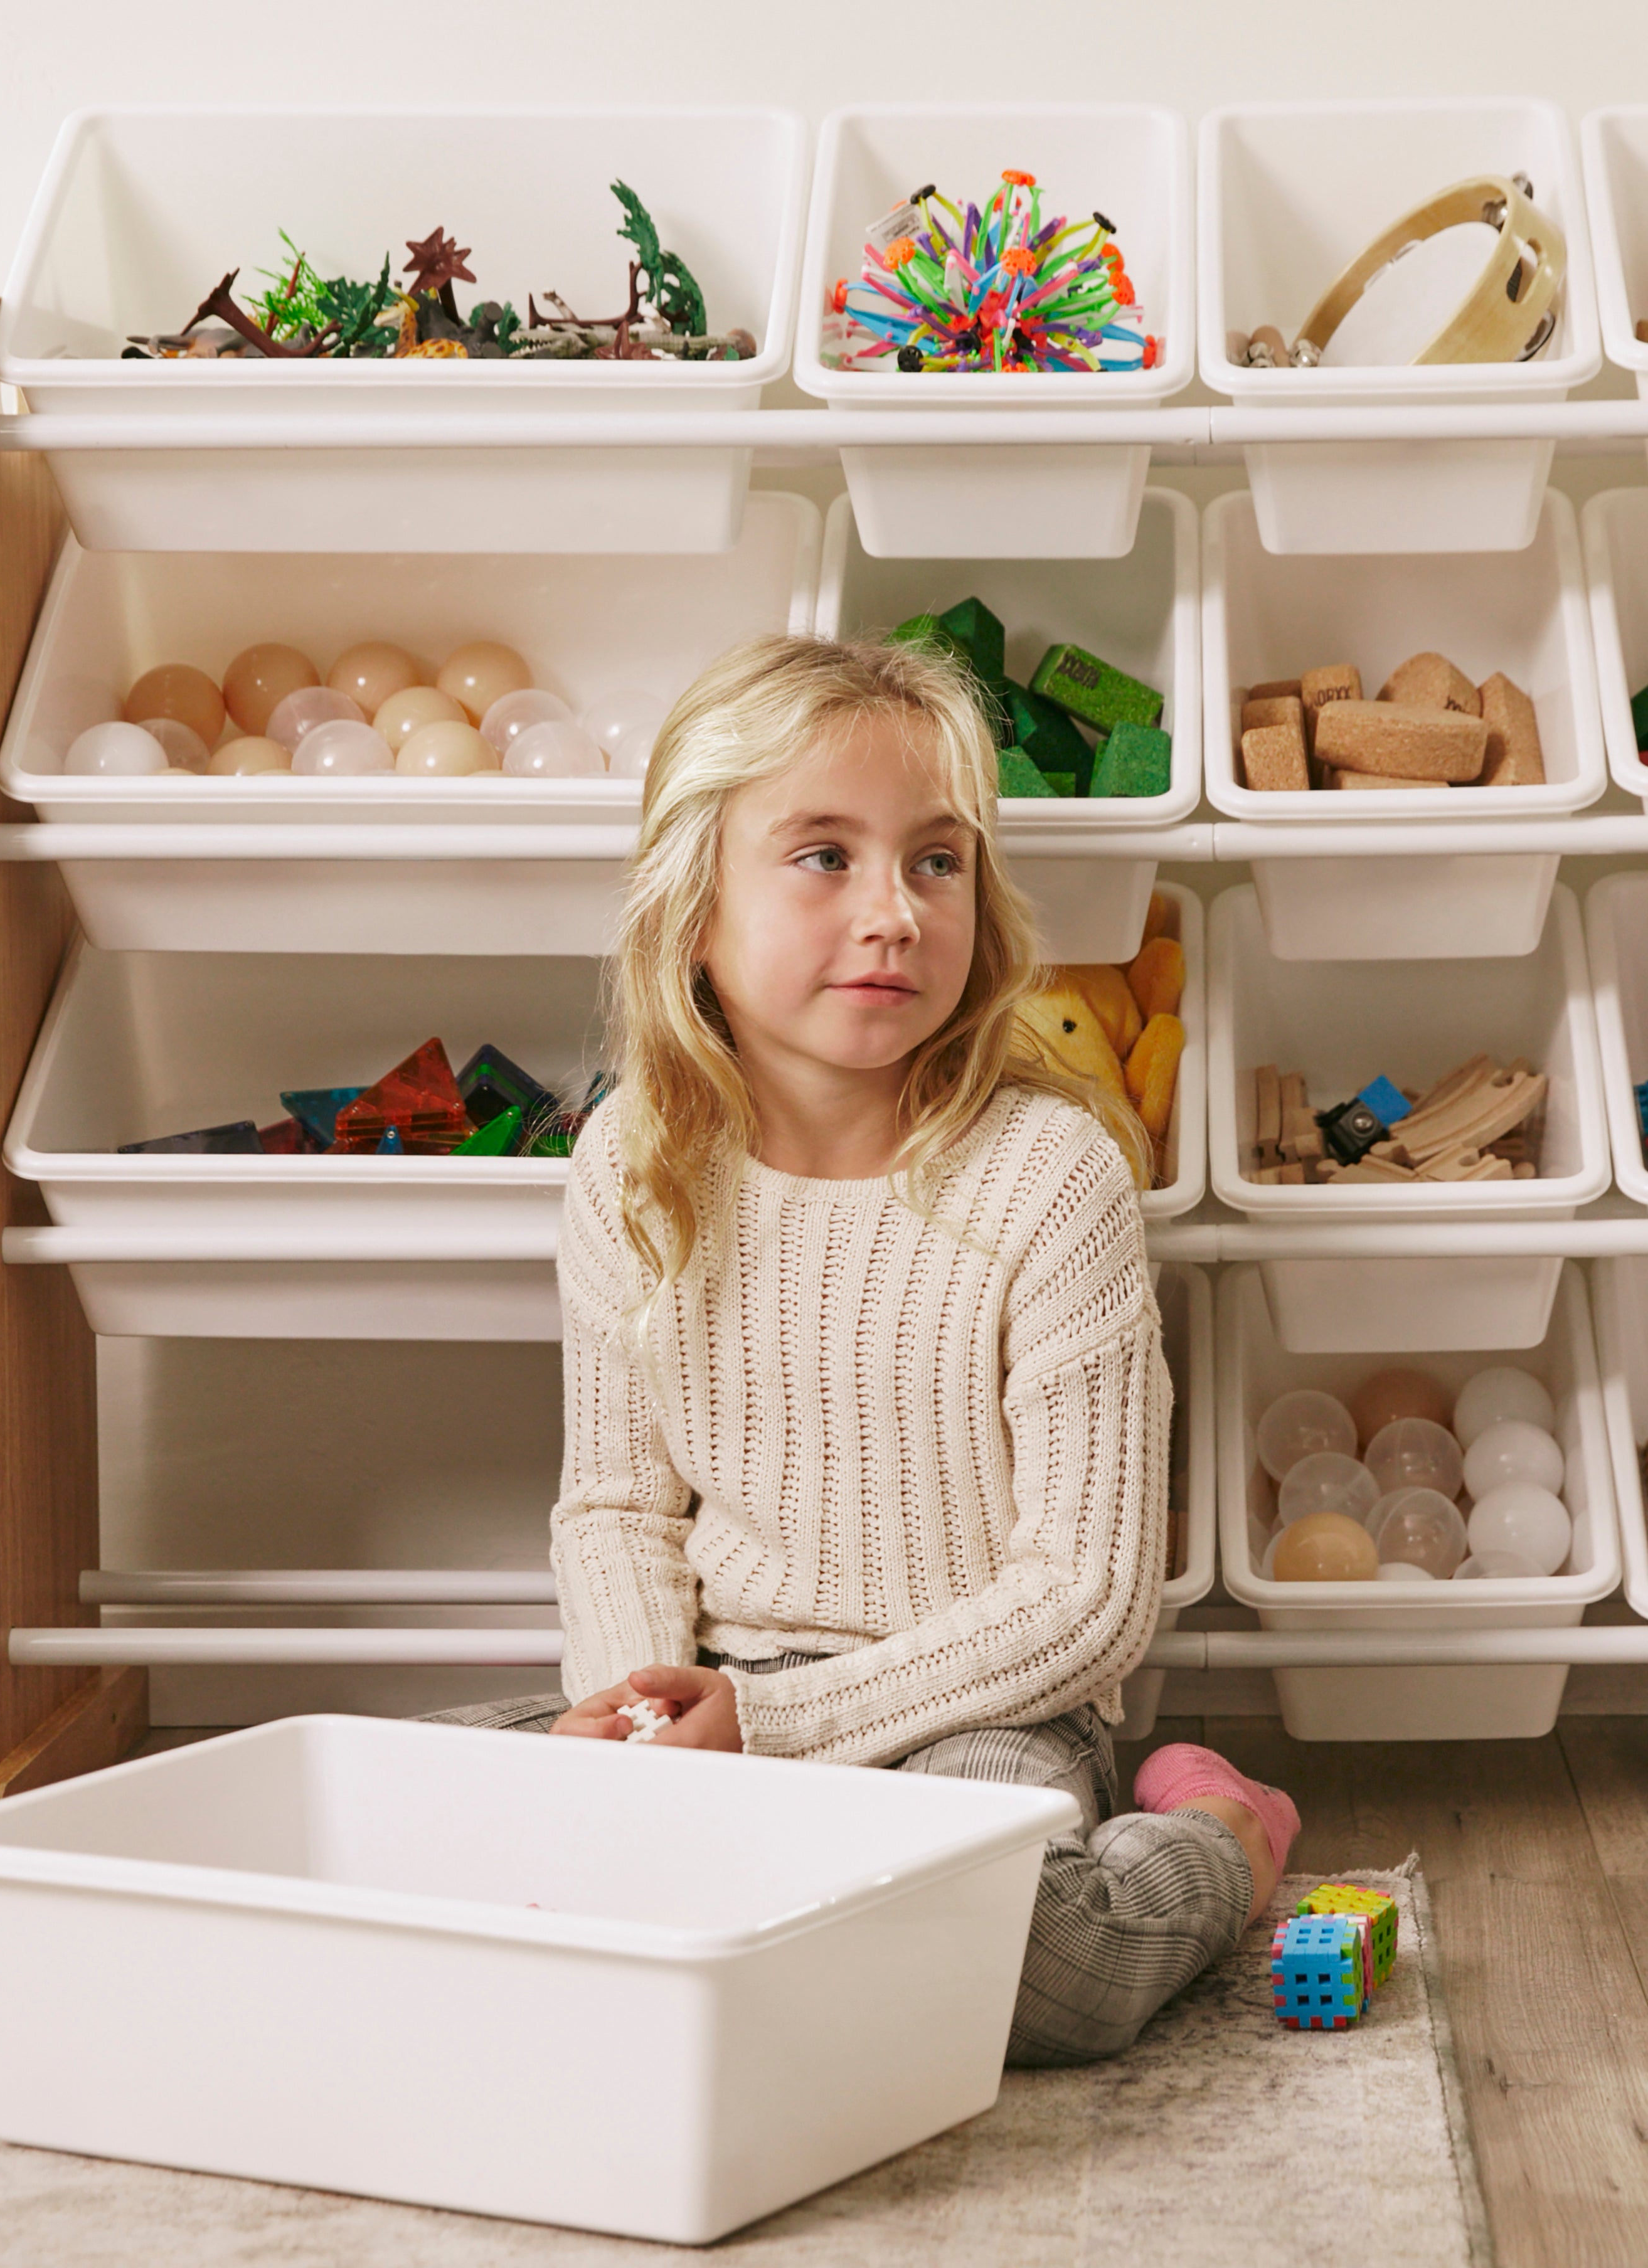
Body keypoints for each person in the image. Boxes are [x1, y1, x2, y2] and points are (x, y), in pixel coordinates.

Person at [427, 632, 1298, 2068]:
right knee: (408, 1821)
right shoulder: (629, 1161)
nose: (893, 912)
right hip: (711, 1685)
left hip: (977, 1705)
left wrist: (765, 1732)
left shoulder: (1048, 1171)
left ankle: (1215, 1827)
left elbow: (1085, 1598)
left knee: (1039, 1968)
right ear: (693, 904)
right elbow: (615, 1508)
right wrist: (647, 1739)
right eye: (823, 855)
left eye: (936, 860)